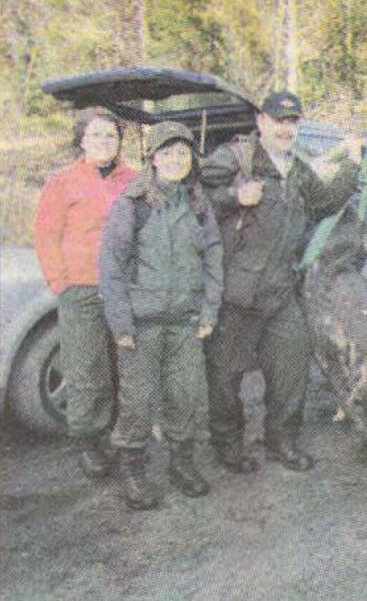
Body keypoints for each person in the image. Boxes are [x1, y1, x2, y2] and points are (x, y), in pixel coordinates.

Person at [200, 91, 361, 473]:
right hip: (235, 293)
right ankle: (227, 446)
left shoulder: (299, 171)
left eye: (292, 122)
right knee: (225, 376)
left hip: (280, 291)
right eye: (278, 121)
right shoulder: (235, 158)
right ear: (261, 123)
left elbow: (327, 201)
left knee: (292, 367)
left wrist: (353, 166)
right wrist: (234, 196)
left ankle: (282, 441)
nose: (286, 129)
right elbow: (196, 196)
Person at [98, 121, 222, 510]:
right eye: (167, 153)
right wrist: (120, 324)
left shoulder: (199, 204)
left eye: (182, 153)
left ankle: (180, 464)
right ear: (152, 159)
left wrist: (209, 310)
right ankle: (132, 470)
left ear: (191, 160)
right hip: (141, 324)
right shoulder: (131, 204)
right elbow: (111, 268)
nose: (175, 160)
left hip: (185, 323)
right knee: (137, 400)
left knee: (188, 398)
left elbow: (214, 261)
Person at [34, 108, 136, 479]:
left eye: (111, 136)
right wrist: (61, 283)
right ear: (81, 141)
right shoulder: (63, 182)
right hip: (81, 288)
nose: (104, 142)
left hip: (124, 289)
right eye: (96, 136)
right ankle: (88, 440)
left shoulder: (134, 180)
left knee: (124, 363)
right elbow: (46, 236)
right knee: (86, 366)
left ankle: (119, 434)